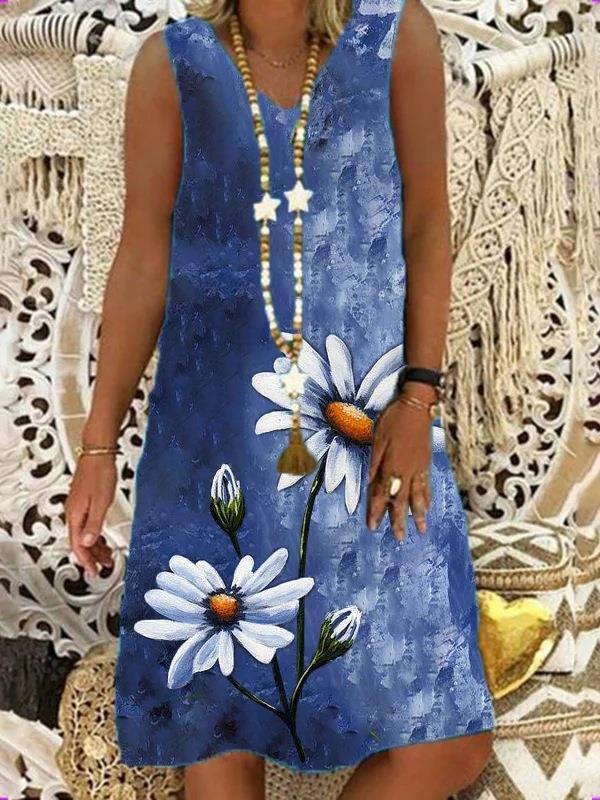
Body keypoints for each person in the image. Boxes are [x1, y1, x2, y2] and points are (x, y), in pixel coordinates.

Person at [66, 1, 495, 798]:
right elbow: (142, 259)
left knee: (450, 738)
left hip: (365, 434)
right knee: (220, 719)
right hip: (213, 441)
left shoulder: (394, 33)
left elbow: (428, 225)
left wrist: (418, 398)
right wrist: (98, 445)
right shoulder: (173, 64)